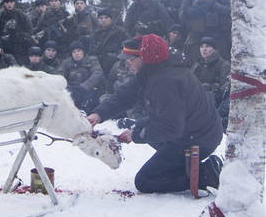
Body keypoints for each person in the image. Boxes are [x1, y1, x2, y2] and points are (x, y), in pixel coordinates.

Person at [87, 34, 223, 194]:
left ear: (146, 57)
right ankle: (183, 165)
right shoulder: (153, 71)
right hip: (192, 130)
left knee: (145, 180)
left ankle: (206, 174)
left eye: (131, 59)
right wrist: (98, 114)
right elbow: (125, 95)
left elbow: (171, 128)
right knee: (143, 128)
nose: (127, 63)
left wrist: (136, 135)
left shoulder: (165, 82)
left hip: (197, 138)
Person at [180, 0, 231, 64]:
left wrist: (213, 4)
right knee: (194, 63)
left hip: (217, 34)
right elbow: (182, 11)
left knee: (220, 63)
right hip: (197, 34)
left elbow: (230, 10)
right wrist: (192, 12)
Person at [191, 37, 231, 131]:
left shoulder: (224, 65)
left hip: (214, 105)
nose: (204, 49)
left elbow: (225, 88)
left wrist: (209, 88)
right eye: (202, 46)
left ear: (214, 49)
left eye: (208, 46)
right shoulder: (197, 65)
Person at [59, 41, 105, 111]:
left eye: (79, 51)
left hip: (88, 90)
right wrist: (66, 86)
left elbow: (97, 73)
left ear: (83, 52)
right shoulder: (66, 62)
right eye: (74, 52)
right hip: (72, 91)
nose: (77, 53)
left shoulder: (92, 60)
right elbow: (60, 74)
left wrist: (85, 86)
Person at [0, 0, 33, 65]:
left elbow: (29, 30)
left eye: (11, 2)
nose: (9, 4)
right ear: (4, 4)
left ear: (14, 3)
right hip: (5, 47)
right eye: (7, 2)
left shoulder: (21, 15)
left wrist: (23, 37)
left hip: (20, 47)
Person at [89, 10, 128, 76]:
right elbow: (91, 52)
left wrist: (117, 56)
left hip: (115, 63)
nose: (103, 20)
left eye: (106, 18)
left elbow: (126, 47)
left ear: (111, 19)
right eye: (101, 18)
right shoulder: (94, 34)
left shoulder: (120, 32)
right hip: (99, 64)